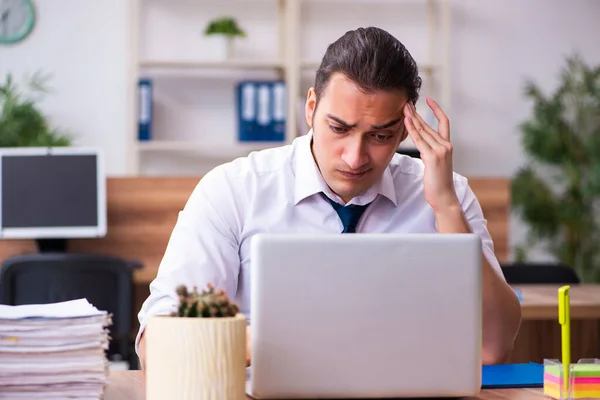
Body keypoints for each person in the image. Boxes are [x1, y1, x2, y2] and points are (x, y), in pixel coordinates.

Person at [136, 26, 522, 369]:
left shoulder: (447, 194)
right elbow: (156, 343)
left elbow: (493, 347)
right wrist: (261, 344)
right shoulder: (234, 190)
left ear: (405, 132)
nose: (355, 157)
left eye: (380, 136)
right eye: (339, 128)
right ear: (311, 108)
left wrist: (447, 208)